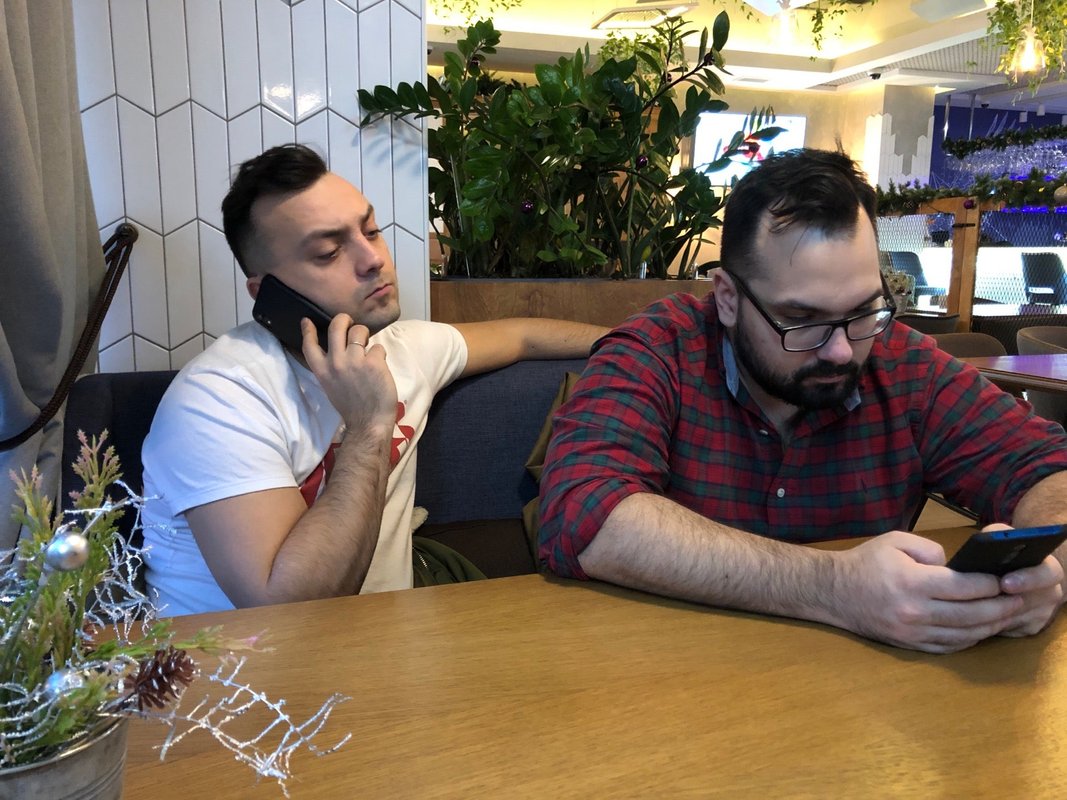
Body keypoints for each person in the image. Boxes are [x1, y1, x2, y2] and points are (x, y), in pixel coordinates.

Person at [538, 148, 1067, 654]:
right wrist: (834, 587)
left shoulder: (904, 364)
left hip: (863, 693)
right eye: (800, 319)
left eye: (863, 311)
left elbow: (1045, 468)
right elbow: (585, 514)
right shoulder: (658, 351)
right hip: (665, 674)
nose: (841, 350)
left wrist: (1045, 578)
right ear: (728, 298)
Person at [140, 143, 605, 616]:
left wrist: (638, 341)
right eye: (328, 252)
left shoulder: (404, 347)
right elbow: (288, 609)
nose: (372, 259)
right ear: (267, 294)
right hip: (246, 658)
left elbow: (524, 336)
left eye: (371, 231)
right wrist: (368, 427)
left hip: (389, 635)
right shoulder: (218, 399)